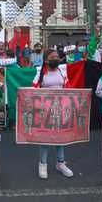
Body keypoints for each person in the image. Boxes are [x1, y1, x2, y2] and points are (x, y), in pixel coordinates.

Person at [32, 49, 73, 179]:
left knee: (61, 137)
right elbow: (33, 89)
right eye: (53, 57)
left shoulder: (62, 71)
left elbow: (68, 88)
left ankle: (61, 163)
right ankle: (42, 164)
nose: (56, 58)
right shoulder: (40, 73)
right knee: (45, 138)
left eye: (57, 56)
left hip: (60, 109)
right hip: (45, 110)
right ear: (46, 60)